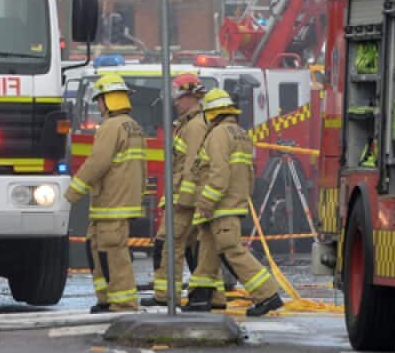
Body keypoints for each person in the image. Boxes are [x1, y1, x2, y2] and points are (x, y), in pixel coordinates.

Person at [184, 89, 284, 317]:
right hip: (231, 203)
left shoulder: (219, 134)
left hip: (220, 206)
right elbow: (248, 174)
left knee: (232, 251)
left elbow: (219, 174)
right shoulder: (240, 133)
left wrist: (206, 203)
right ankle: (200, 298)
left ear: (212, 113)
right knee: (207, 254)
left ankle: (267, 294)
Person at [65, 73, 145, 313]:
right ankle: (107, 298)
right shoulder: (133, 126)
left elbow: (97, 163)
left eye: (100, 100)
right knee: (99, 249)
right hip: (116, 202)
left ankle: (122, 302)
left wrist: (73, 192)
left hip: (112, 202)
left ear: (109, 99)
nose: (98, 105)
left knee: (114, 255)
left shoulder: (112, 127)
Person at [144, 73, 224, 309]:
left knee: (169, 244)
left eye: (178, 97)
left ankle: (166, 296)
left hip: (183, 199)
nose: (175, 102)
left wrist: (183, 200)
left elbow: (193, 166)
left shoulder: (195, 125)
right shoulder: (189, 124)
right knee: (197, 249)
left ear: (190, 96)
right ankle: (215, 297)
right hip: (184, 197)